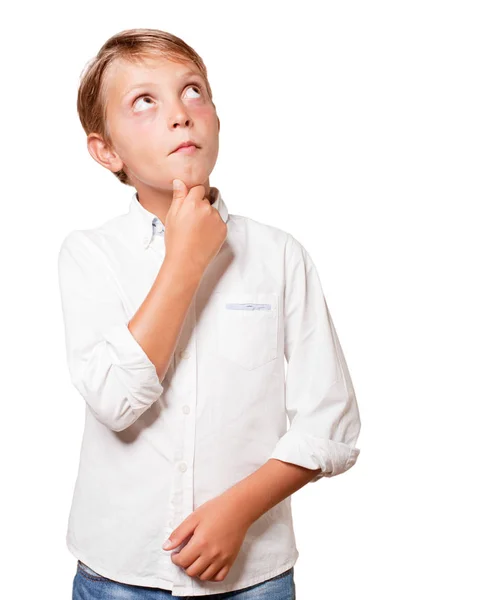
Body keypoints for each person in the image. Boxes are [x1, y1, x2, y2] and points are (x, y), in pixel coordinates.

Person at [58, 28, 362, 600]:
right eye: (144, 101)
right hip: (120, 575)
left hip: (254, 577)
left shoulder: (279, 256)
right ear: (106, 151)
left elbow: (333, 423)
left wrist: (237, 511)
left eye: (192, 91)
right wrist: (185, 260)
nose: (180, 114)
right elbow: (116, 402)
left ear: (217, 118)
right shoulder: (89, 255)